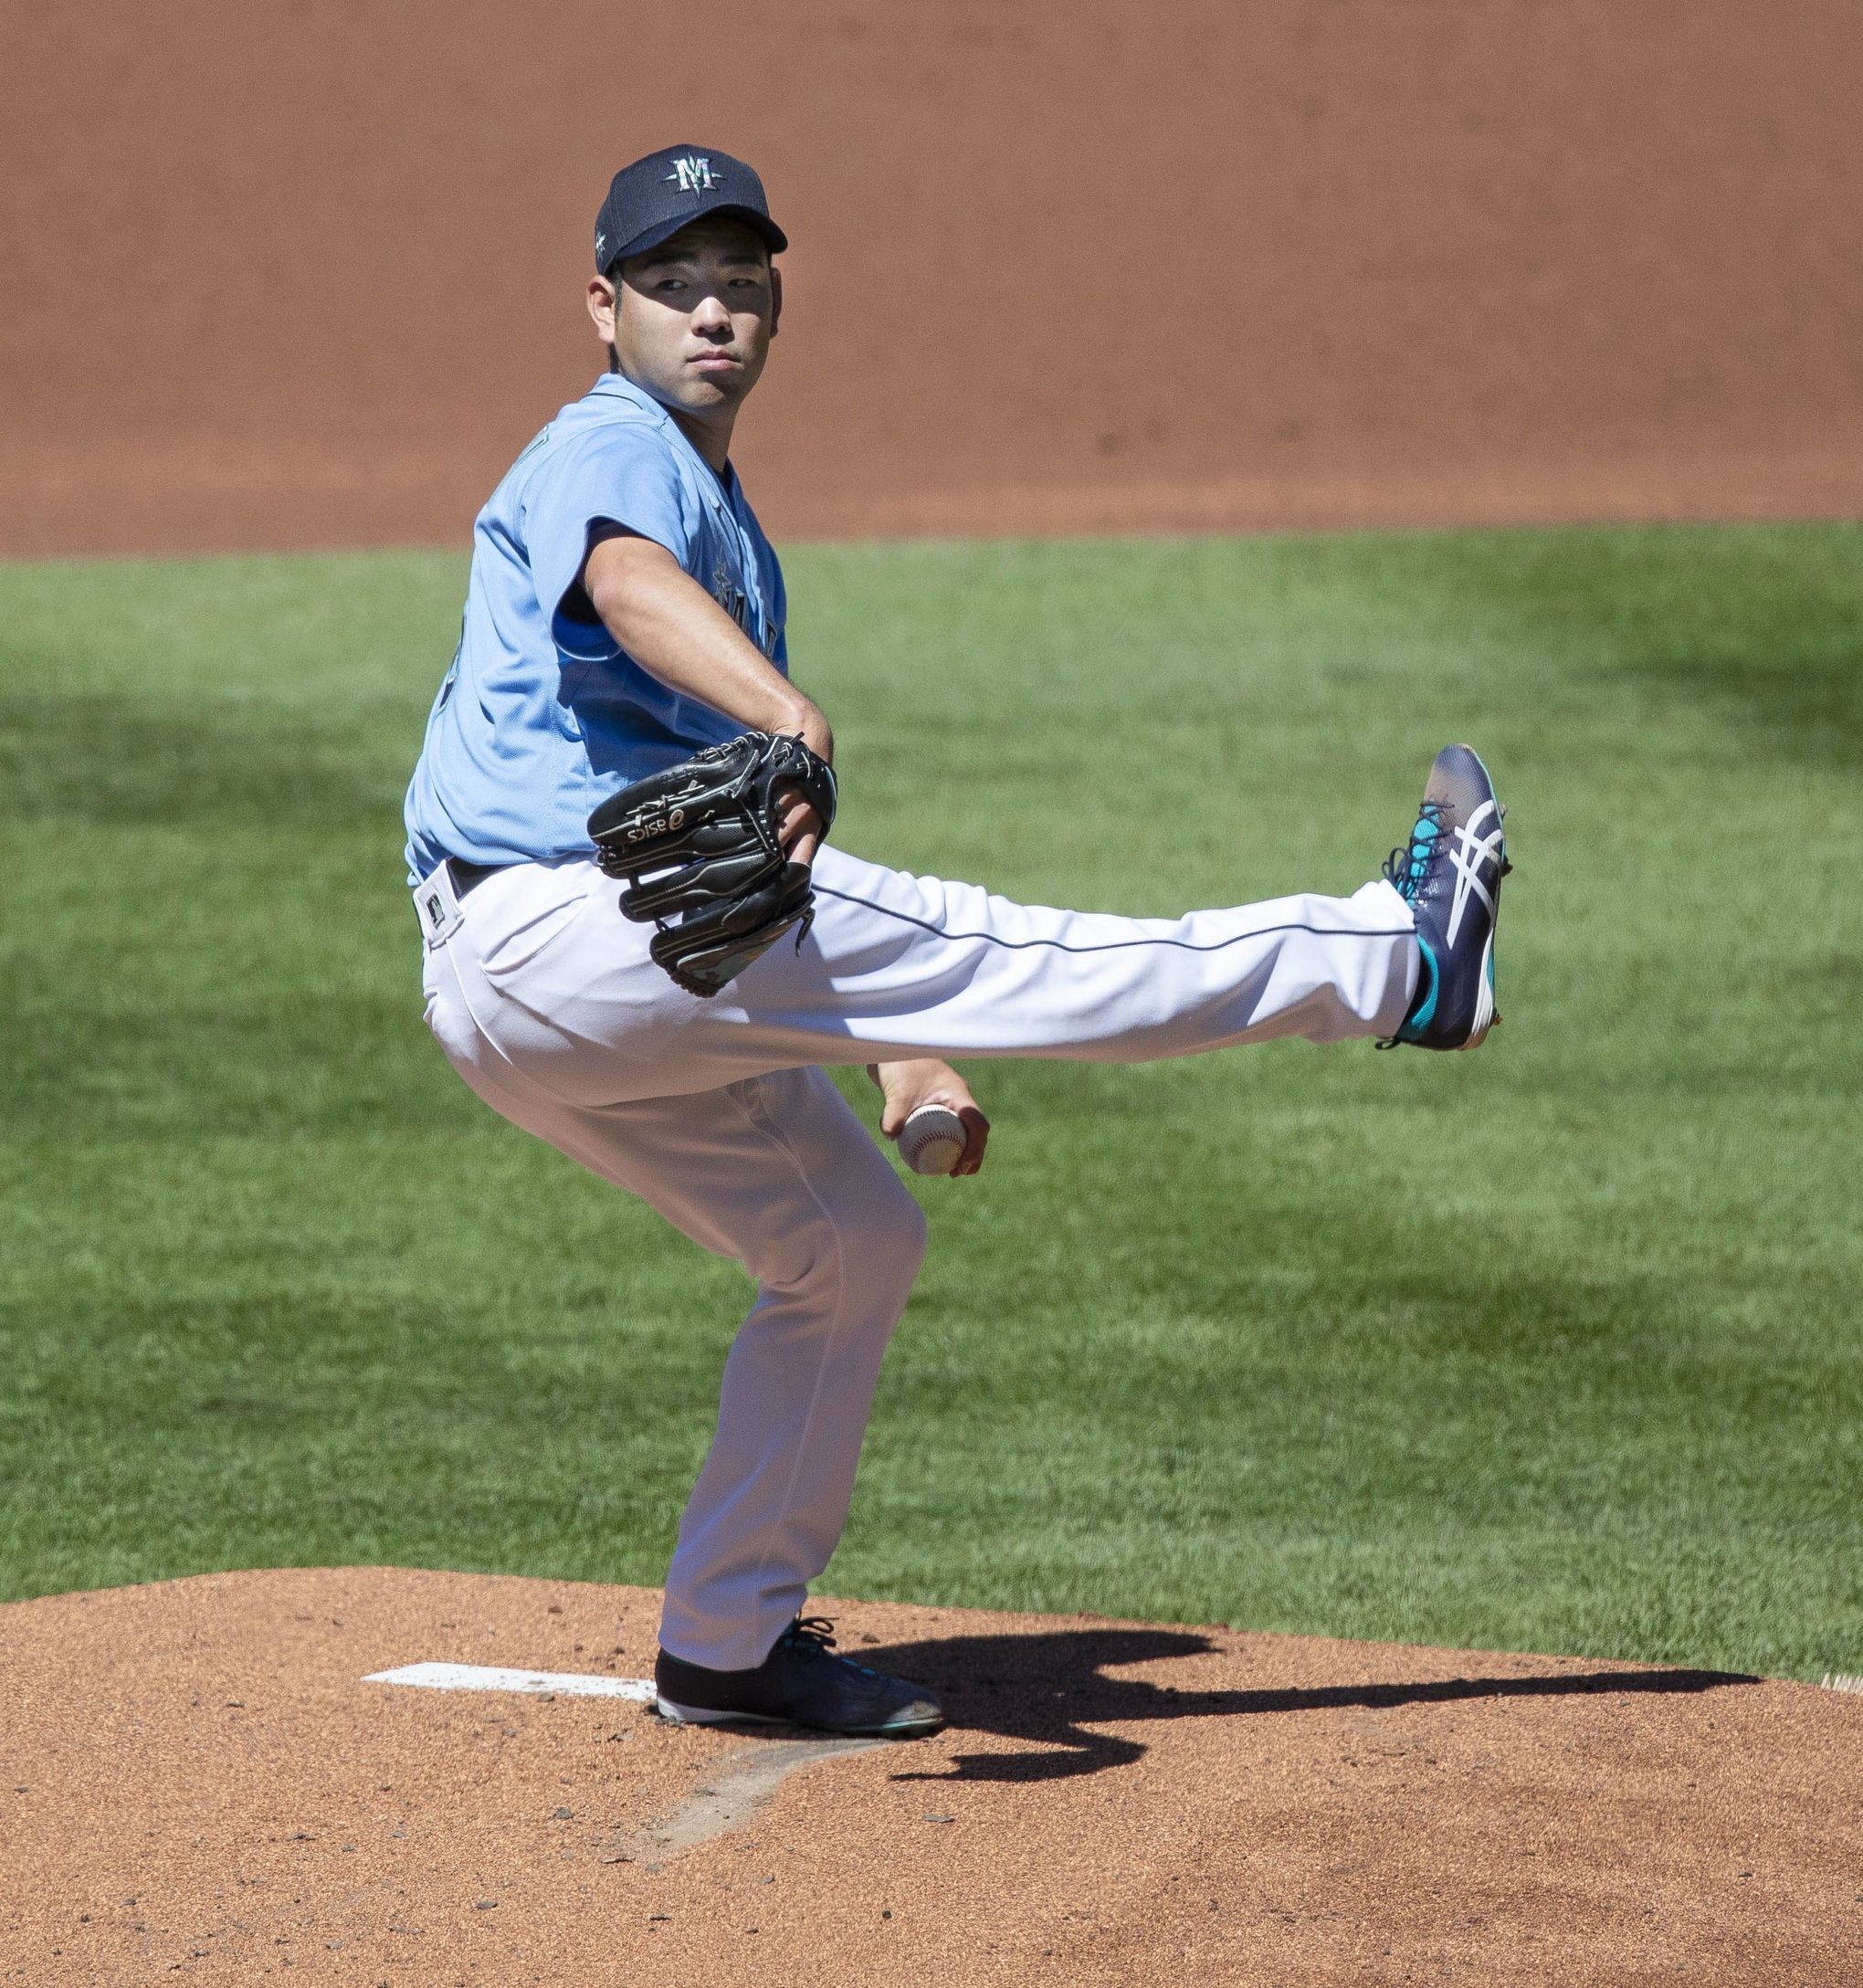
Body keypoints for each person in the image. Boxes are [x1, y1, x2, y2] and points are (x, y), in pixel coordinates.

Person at [404, 144, 1510, 1740]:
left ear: (777, 303)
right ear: (604, 305)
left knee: (847, 1240)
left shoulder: (720, 510)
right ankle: (1401, 959)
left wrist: (903, 1054)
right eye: (673, 282)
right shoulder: (617, 447)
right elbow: (624, 580)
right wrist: (785, 705)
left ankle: (724, 1642)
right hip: (579, 932)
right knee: (1025, 953)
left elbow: (771, 871)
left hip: (528, 990)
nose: (713, 309)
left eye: (741, 280)